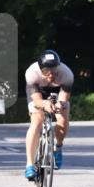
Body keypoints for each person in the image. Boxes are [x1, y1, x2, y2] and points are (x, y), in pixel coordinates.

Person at [23, 50, 74, 180]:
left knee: (62, 119)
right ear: (40, 70)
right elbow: (37, 101)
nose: (51, 74)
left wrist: (59, 105)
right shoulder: (32, 73)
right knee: (37, 120)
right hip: (38, 92)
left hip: (57, 91)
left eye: (54, 69)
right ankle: (29, 164)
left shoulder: (67, 74)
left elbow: (63, 98)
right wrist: (45, 105)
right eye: (46, 71)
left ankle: (58, 146)